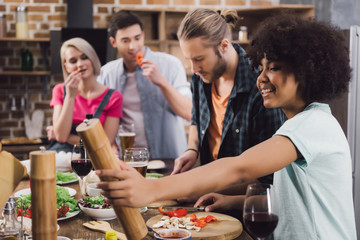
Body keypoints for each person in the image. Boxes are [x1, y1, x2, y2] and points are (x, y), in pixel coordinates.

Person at [96, 14, 357, 240]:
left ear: (307, 72)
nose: (262, 78)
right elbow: (291, 196)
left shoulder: (312, 126)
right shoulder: (299, 124)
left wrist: (151, 189)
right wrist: (233, 200)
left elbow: (239, 166)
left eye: (274, 68)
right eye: (261, 68)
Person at [171, 8, 284, 191]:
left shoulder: (261, 86)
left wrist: (205, 188)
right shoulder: (201, 78)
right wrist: (192, 149)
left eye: (199, 59)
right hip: (209, 192)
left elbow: (270, 176)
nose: (194, 68)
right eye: (189, 60)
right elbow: (196, 119)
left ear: (224, 45)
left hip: (247, 204)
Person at [98, 10, 192, 159]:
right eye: (125, 40)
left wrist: (162, 82)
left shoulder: (171, 65)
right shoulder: (106, 73)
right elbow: (101, 119)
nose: (132, 46)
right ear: (113, 42)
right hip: (126, 160)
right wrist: (110, 144)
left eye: (137, 38)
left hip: (168, 159)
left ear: (143, 35)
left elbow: (189, 112)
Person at [47, 37, 123, 152]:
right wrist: (70, 96)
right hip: (62, 157)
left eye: (84, 58)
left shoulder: (113, 97)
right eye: (73, 61)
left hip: (93, 158)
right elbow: (61, 137)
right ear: (66, 67)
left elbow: (106, 143)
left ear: (92, 59)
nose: (80, 64)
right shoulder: (60, 91)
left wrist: (70, 138)